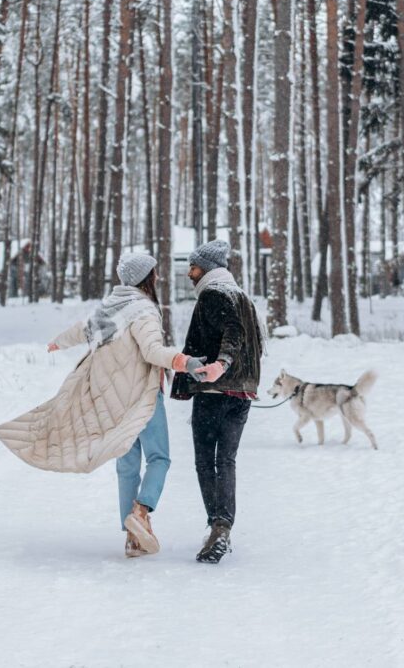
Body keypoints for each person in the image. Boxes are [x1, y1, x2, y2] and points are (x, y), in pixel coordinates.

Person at [0, 253, 205, 558]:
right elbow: (152, 350)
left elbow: (82, 329)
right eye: (154, 273)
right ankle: (142, 512)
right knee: (159, 458)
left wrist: (58, 342)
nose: (157, 278)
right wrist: (185, 362)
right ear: (146, 278)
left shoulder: (111, 307)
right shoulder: (143, 310)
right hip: (142, 397)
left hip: (115, 403)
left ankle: (132, 539)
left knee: (128, 465)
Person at [171, 240, 263, 564]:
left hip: (214, 392)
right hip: (243, 395)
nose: (189, 273)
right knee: (226, 461)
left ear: (207, 269)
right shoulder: (243, 297)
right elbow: (254, 341)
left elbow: (233, 332)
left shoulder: (214, 293)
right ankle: (221, 525)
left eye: (193, 267)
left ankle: (218, 526)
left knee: (204, 461)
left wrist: (220, 365)